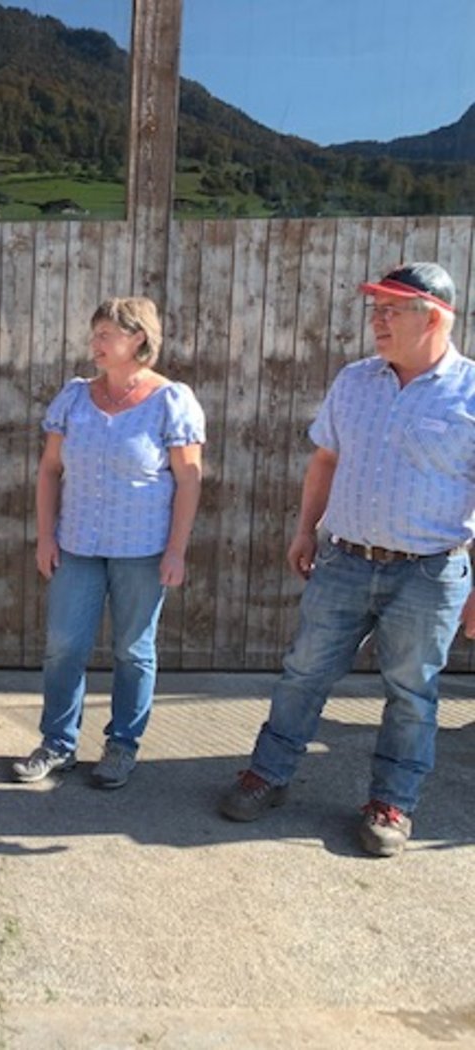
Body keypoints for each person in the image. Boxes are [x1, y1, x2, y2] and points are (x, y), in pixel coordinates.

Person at [219, 263, 475, 857]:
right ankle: (269, 774)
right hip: (345, 559)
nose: (377, 321)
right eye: (375, 309)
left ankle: (392, 803)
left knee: (412, 693)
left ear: (434, 317)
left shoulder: (470, 392)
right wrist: (306, 531)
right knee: (303, 673)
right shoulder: (355, 381)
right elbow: (325, 462)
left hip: (431, 572)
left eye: (391, 309)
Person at [10, 297, 204, 790]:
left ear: (138, 338)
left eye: (105, 335)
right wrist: (46, 534)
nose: (95, 343)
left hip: (142, 551)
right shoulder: (75, 397)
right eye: (95, 333)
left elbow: (189, 480)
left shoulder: (170, 401)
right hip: (77, 545)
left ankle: (122, 745)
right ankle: (57, 743)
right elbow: (50, 470)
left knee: (133, 650)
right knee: (63, 646)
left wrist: (177, 550)